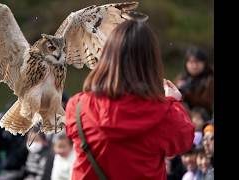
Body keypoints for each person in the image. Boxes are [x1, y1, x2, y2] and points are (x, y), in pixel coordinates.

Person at [65, 20, 194, 179]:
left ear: (107, 56)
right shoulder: (165, 114)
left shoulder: (77, 107)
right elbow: (184, 141)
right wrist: (173, 102)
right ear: (151, 63)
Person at [174, 46, 214, 115]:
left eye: (197, 62)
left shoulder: (209, 79)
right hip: (183, 113)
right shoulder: (182, 77)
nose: (194, 66)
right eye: (191, 62)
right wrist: (178, 89)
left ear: (204, 63)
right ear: (186, 63)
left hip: (204, 116)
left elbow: (208, 104)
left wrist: (188, 93)